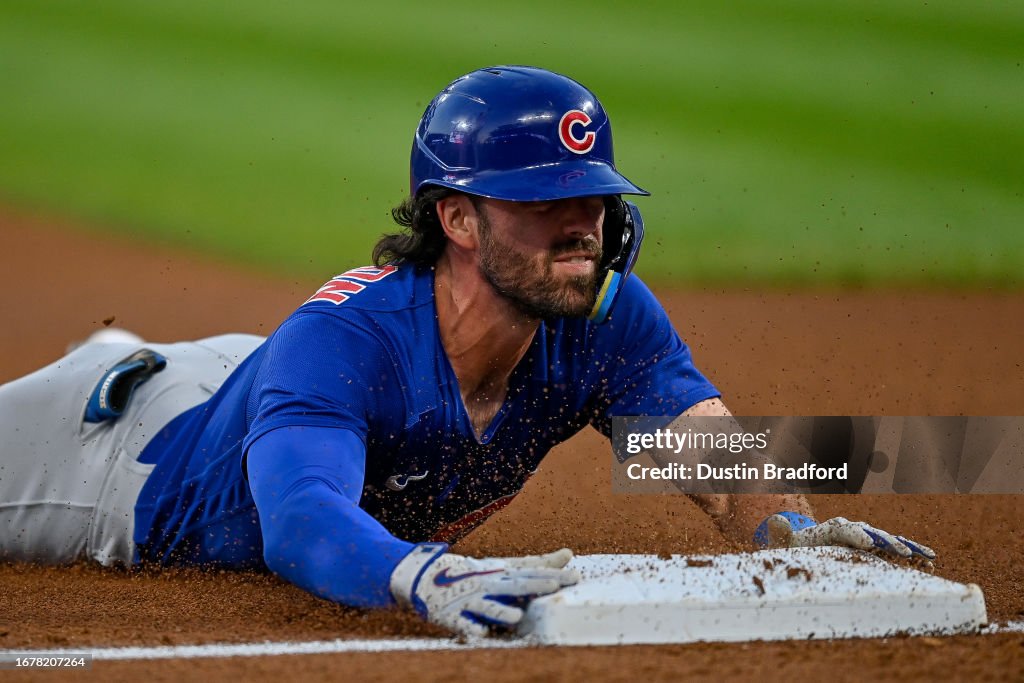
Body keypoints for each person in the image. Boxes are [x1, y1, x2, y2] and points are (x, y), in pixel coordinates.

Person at [0, 66, 934, 638]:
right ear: (456, 217)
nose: (585, 227)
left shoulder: (605, 320)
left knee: (290, 391)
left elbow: (712, 462)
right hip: (121, 457)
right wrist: (417, 571)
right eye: (546, 202)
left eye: (596, 197)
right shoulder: (349, 340)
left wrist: (791, 531)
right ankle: (110, 360)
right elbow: (295, 520)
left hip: (268, 384)